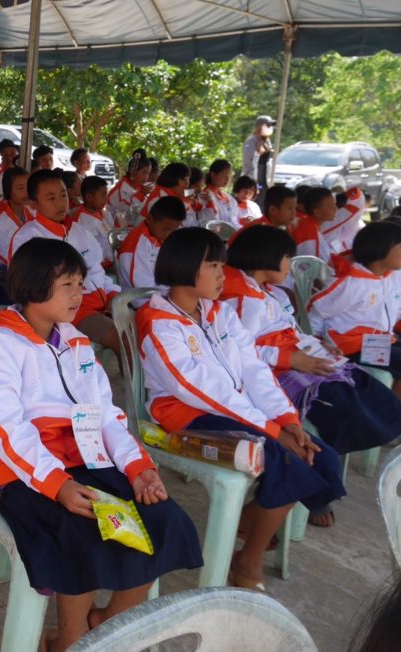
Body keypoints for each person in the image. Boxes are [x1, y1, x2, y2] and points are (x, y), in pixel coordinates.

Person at [0, 237, 202, 650]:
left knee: (162, 520)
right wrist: (56, 483)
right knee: (80, 533)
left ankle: (104, 620)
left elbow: (107, 415)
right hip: (24, 471)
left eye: (81, 284)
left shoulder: (76, 343)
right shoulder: (0, 344)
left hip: (85, 459)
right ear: (33, 288)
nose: (80, 294)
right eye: (68, 286)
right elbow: (5, 428)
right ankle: (69, 639)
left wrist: (138, 467)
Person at [138, 227, 345, 591]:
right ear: (185, 267)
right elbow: (198, 389)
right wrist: (272, 431)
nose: (223, 275)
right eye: (213, 265)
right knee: (284, 455)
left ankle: (252, 519)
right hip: (183, 416)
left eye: (223, 264)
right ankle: (248, 560)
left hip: (237, 410)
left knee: (319, 454)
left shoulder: (219, 313)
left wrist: (287, 420)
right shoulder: (159, 323)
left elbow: (254, 369)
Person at [222, 225, 401, 527]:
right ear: (267, 259)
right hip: (276, 371)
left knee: (370, 392)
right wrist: (291, 358)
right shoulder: (244, 301)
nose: (289, 267)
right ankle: (316, 490)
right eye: (287, 259)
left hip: (300, 357)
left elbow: (290, 329)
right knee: (344, 408)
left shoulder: (270, 293)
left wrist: (313, 346)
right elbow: (240, 350)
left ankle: (325, 468)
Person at [9, 169, 122, 357]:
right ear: (33, 204)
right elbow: (33, 288)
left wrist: (112, 296)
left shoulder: (80, 231)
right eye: (51, 198)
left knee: (140, 325)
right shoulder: (28, 238)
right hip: (67, 309)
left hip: (99, 302)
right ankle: (133, 387)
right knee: (121, 338)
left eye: (63, 195)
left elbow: (97, 271)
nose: (61, 203)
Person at [309, 221, 401, 401]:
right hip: (353, 346)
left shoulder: (389, 278)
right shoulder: (351, 283)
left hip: (379, 341)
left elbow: (399, 309)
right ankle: (394, 417)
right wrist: (317, 343)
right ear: (381, 249)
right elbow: (317, 311)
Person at [117, 196, 186, 291]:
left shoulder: (158, 236)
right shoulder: (138, 244)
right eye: (165, 229)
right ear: (149, 219)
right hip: (142, 299)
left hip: (165, 292)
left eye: (174, 230)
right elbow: (143, 287)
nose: (168, 234)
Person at [0, 166, 33, 270]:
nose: (26, 192)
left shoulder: (29, 210)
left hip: (27, 262)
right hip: (4, 268)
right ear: (8, 190)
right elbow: (7, 255)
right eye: (20, 188)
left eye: (28, 187)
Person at [72, 175, 119, 267]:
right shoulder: (84, 220)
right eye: (103, 195)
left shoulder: (100, 212)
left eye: (106, 194)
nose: (106, 198)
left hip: (112, 259)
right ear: (89, 197)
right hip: (101, 265)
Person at [231, 184, 298, 241]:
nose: (294, 213)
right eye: (290, 208)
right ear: (273, 210)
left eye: (295, 208)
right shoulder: (258, 231)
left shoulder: (283, 229)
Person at [291, 186, 337, 264]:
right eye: (331, 206)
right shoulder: (309, 232)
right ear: (317, 213)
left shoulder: (307, 224)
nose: (335, 209)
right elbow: (311, 267)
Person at [141, 162, 196, 227]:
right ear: (173, 179)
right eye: (185, 179)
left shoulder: (169, 194)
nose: (187, 183)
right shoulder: (162, 198)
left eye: (188, 179)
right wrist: (186, 203)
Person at [107, 152, 151, 225]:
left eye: (148, 173)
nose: (146, 177)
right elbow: (129, 213)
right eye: (144, 172)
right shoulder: (121, 189)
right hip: (114, 227)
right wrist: (141, 195)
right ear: (133, 172)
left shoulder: (138, 186)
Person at [321, 186, 367, 255]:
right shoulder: (328, 223)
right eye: (331, 206)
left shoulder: (344, 226)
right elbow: (358, 203)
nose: (334, 209)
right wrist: (349, 195)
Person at [198, 159, 239, 227]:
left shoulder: (230, 199)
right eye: (224, 176)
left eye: (230, 176)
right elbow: (205, 221)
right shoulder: (204, 195)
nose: (228, 179)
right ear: (213, 175)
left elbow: (234, 221)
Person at [241, 115, 275, 189]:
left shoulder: (267, 140)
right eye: (268, 125)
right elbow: (248, 160)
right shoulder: (251, 141)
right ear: (260, 126)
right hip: (253, 177)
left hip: (265, 177)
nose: (270, 128)